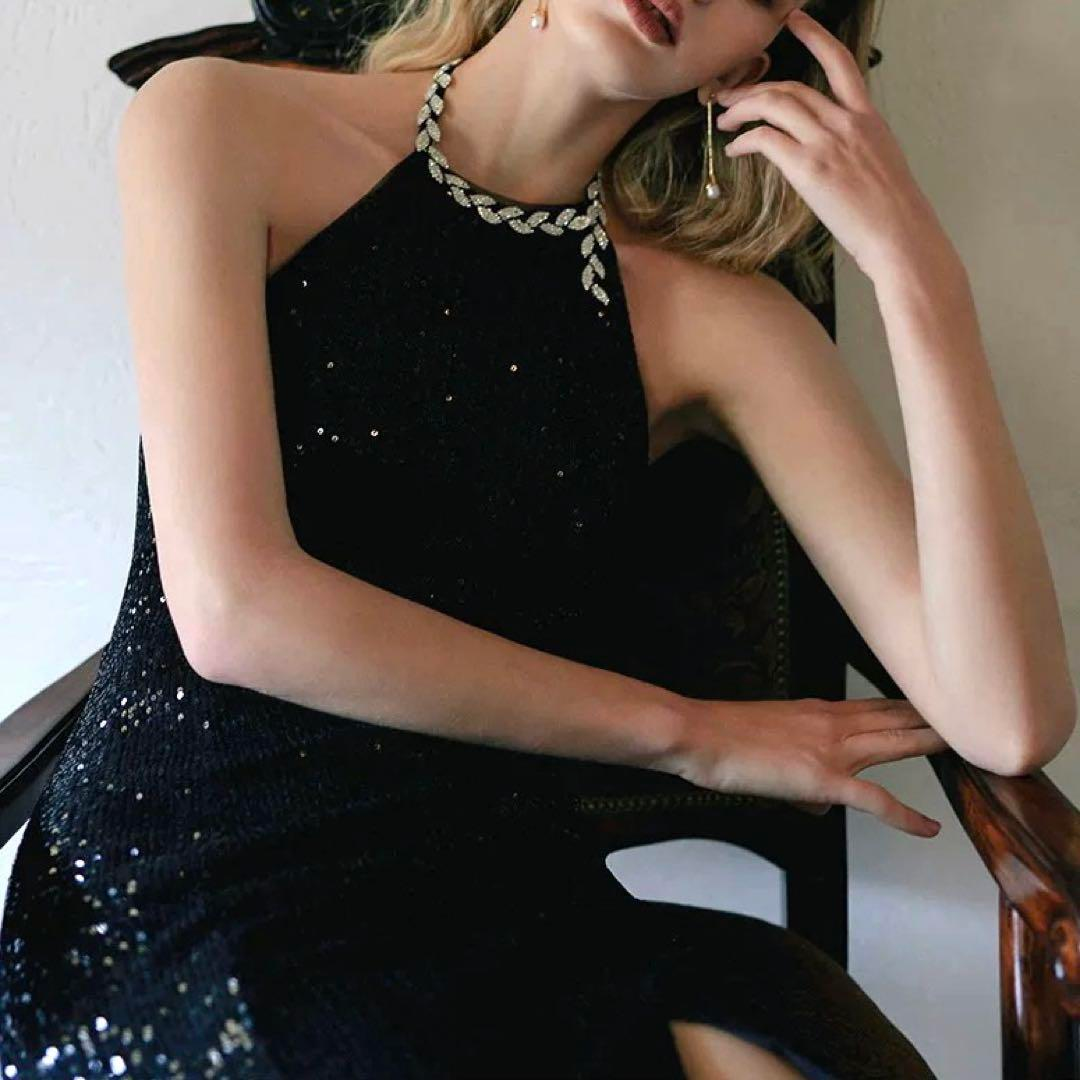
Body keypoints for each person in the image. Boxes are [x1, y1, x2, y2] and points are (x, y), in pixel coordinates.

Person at [2, 0, 1074, 1073]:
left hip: (492, 887)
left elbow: (1006, 717)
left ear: (754, 59)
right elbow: (235, 611)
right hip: (189, 866)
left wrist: (920, 276)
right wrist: (690, 732)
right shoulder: (219, 120)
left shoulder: (714, 321)